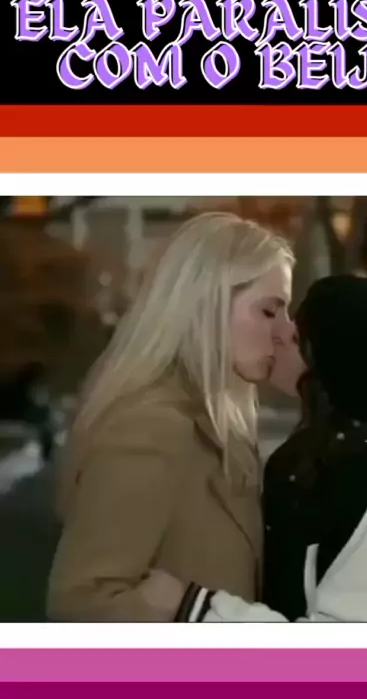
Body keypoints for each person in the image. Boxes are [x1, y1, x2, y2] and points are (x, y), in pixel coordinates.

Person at [46, 212, 294, 622]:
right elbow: (82, 602)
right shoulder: (151, 426)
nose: (285, 332)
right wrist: (188, 612)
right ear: (208, 304)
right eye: (269, 312)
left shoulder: (222, 429)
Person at [180, 275, 367, 623]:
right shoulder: (309, 458)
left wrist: (200, 612)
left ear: (336, 367)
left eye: (298, 337)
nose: (278, 334)